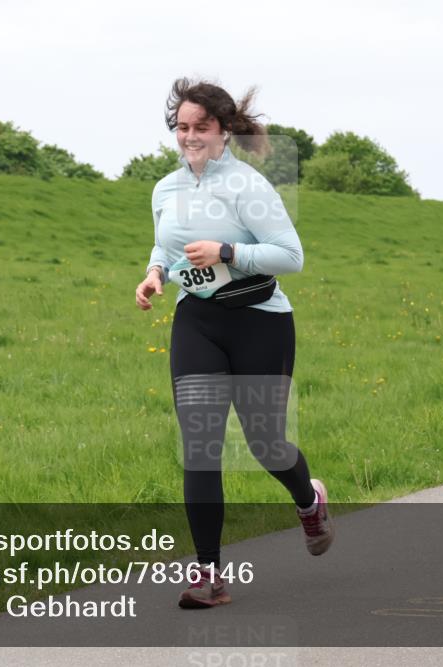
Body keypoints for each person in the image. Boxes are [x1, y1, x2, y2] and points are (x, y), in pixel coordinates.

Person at [135, 78, 333, 609]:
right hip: (197, 321)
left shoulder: (249, 186)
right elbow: (167, 241)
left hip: (259, 321)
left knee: (265, 443)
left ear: (224, 131)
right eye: (182, 127)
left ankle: (308, 498)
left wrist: (227, 251)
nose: (190, 136)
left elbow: (290, 257)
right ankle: (209, 576)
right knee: (200, 449)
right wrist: (155, 272)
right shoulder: (165, 188)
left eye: (201, 127)